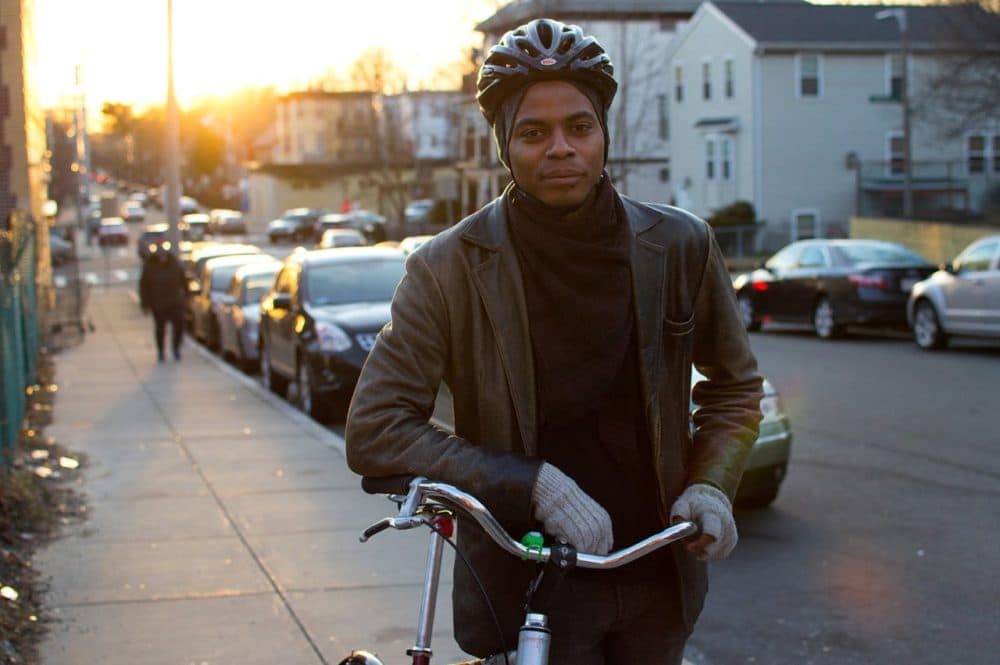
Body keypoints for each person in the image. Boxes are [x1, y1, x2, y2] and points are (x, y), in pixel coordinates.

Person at [345, 18, 763, 665]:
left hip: (658, 577)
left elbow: (734, 387)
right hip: (527, 590)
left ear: (604, 133)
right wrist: (530, 483)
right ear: (504, 146)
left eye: (580, 126)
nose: (561, 148)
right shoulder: (446, 267)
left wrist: (711, 483)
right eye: (534, 133)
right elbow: (376, 427)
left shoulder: (681, 246)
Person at [138, 246, 186, 362]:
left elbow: (183, 281)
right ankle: (161, 351)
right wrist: (145, 304)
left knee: (179, 326)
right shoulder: (150, 268)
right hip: (158, 304)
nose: (162, 258)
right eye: (160, 256)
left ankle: (176, 349)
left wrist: (186, 296)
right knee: (160, 329)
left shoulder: (174, 265)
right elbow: (144, 287)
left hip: (175, 302)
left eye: (164, 256)